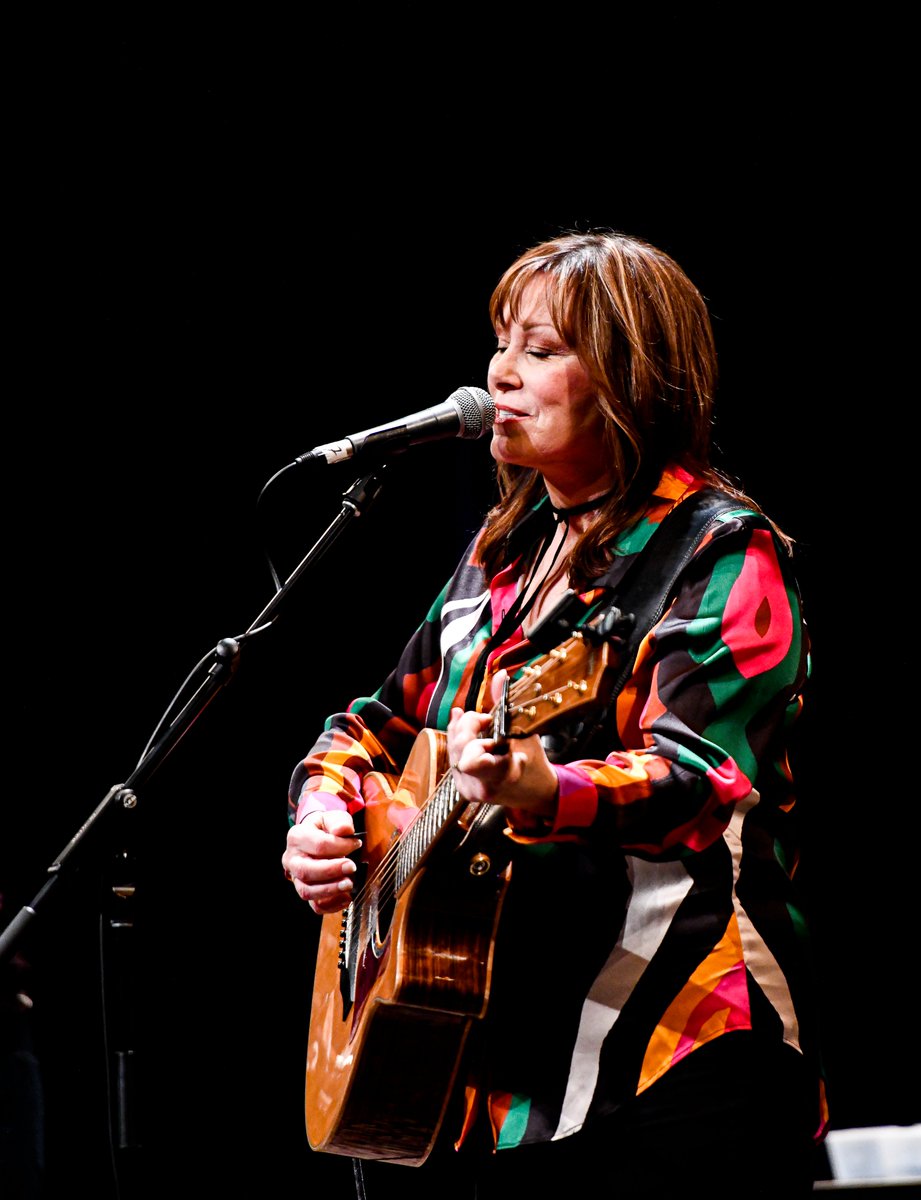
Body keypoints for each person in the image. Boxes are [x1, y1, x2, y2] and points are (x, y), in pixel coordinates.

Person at [281, 229, 828, 1196]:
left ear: (631, 377)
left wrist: (544, 784)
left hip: (677, 1059)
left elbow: (700, 780)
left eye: (542, 349)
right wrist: (324, 816)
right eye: (501, 343)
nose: (501, 373)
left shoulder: (718, 552)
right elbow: (368, 727)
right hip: (502, 1077)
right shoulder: (500, 561)